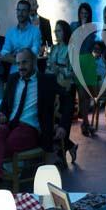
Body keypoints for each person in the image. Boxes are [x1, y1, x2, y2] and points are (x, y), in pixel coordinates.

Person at [0, 49, 71, 187]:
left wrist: (62, 125)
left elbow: (67, 99)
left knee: (0, 146)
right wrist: (2, 114)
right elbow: (4, 106)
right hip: (10, 124)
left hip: (30, 128)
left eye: (24, 62)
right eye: (18, 63)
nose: (21, 66)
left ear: (34, 62)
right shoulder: (13, 79)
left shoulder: (46, 80)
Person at [46, 20, 77, 163]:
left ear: (65, 32)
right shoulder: (53, 48)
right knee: (54, 121)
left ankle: (61, 152)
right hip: (54, 89)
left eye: (59, 31)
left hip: (66, 88)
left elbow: (73, 71)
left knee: (64, 122)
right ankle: (69, 146)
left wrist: (58, 68)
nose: (56, 34)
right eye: (55, 31)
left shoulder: (71, 49)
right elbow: (48, 66)